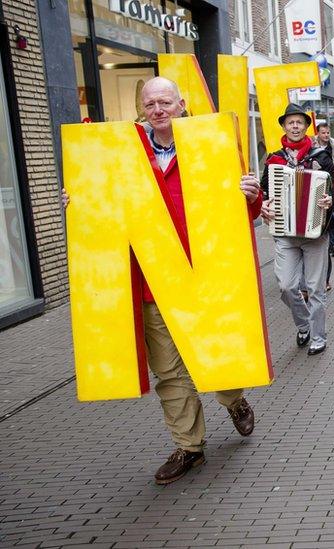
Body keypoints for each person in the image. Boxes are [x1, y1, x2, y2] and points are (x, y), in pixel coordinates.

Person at [62, 77, 258, 485]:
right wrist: (78, 201)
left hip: (205, 277)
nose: (158, 109)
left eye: (165, 101)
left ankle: (234, 401)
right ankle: (189, 446)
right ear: (142, 108)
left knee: (216, 358)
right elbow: (103, 212)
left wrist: (250, 194)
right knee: (169, 371)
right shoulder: (122, 155)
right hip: (153, 281)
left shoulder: (211, 147)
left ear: (181, 104)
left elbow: (245, 215)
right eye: (150, 103)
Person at [248, 103, 334, 357]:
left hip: (314, 233)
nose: (295, 126)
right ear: (284, 126)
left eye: (299, 122)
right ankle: (304, 325)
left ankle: (318, 337)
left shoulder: (321, 157)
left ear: (306, 127)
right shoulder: (275, 159)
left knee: (315, 289)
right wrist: (264, 204)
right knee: (286, 286)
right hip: (285, 232)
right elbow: (265, 191)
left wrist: (329, 201)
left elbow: (333, 189)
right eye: (290, 122)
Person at [315, 121, 334, 258]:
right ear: (318, 133)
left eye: (328, 132)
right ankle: (322, 241)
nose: (326, 135)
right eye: (323, 133)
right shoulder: (312, 146)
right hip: (318, 184)